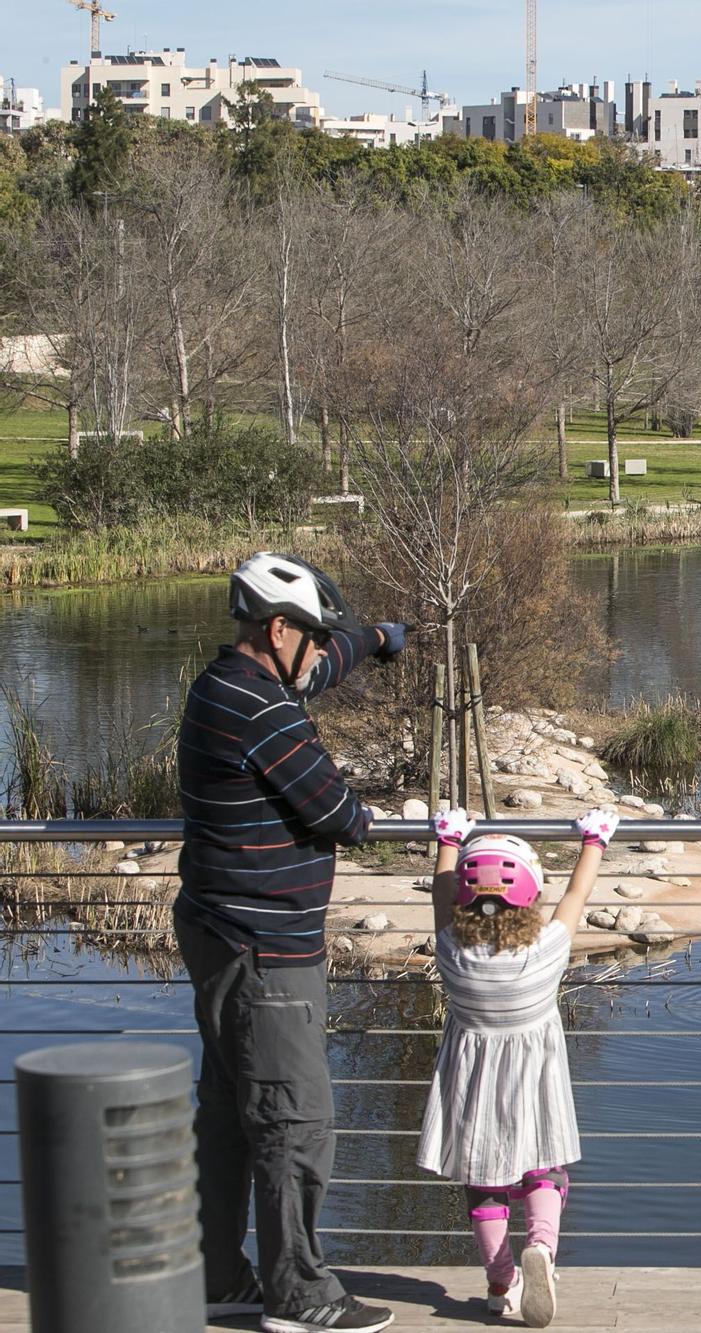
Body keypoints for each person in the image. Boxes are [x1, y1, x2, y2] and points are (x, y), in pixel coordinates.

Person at [175, 552, 406, 1333]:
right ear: (278, 629)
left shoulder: (234, 680)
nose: (317, 654)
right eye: (313, 637)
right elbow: (340, 811)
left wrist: (375, 637)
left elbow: (318, 670)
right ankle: (300, 1295)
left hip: (222, 932)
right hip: (264, 950)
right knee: (292, 1117)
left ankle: (216, 1274)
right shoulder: (259, 709)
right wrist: (375, 817)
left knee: (231, 1113)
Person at [417, 806, 615, 1328]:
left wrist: (449, 838)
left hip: (472, 1087)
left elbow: (441, 895)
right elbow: (576, 897)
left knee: (484, 1185)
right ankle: (543, 1251)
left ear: (465, 895)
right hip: (535, 1085)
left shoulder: (452, 951)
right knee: (544, 1169)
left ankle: (500, 1281)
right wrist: (593, 839)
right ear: (529, 895)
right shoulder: (545, 951)